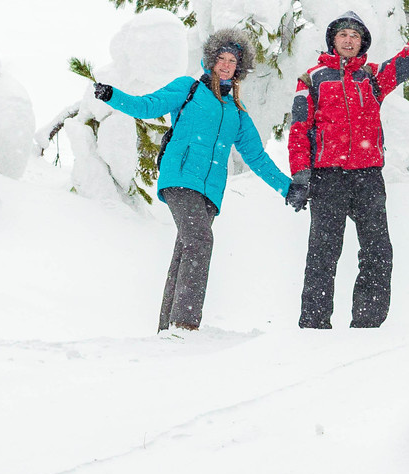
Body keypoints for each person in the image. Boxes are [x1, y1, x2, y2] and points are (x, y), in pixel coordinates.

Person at [93, 30, 293, 332]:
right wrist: (113, 96)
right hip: (181, 178)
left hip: (209, 192)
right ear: (210, 60)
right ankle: (185, 324)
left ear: (239, 69)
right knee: (200, 241)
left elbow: (257, 157)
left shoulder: (237, 113)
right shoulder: (188, 88)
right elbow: (147, 106)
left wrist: (287, 188)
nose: (226, 65)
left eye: (232, 61)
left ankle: (168, 328)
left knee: (186, 249)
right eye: (221, 58)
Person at [285, 0, 409, 329]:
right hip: (328, 177)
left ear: (362, 43)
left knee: (378, 251)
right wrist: (300, 175)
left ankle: (367, 325)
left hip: (368, 177)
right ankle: (314, 326)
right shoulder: (311, 78)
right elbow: (299, 130)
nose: (348, 40)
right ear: (332, 40)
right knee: (323, 253)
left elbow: (408, 60)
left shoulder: (372, 76)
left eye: (355, 36)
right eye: (343, 34)